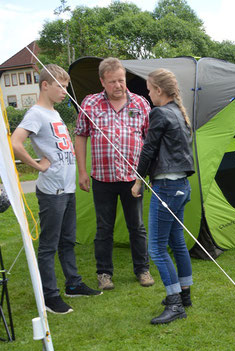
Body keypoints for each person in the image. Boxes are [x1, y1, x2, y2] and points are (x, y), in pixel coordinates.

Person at [11, 64, 101, 314]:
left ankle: (73, 284)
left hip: (67, 187)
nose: (65, 92)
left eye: (66, 86)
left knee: (67, 241)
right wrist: (37, 165)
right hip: (52, 191)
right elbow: (15, 142)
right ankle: (50, 296)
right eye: (60, 86)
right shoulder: (36, 113)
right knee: (49, 245)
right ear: (45, 85)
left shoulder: (54, 113)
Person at [74, 57, 154, 290]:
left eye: (121, 80)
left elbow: (150, 140)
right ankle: (104, 274)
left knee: (137, 226)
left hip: (133, 179)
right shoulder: (90, 103)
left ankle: (142, 270)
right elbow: (80, 135)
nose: (118, 85)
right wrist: (82, 171)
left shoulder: (140, 103)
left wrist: (146, 173)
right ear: (102, 81)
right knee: (104, 228)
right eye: (112, 82)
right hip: (102, 178)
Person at [131, 69, 195, 324]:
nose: (147, 94)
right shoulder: (179, 112)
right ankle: (184, 292)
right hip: (181, 186)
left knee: (156, 249)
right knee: (176, 241)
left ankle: (175, 304)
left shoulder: (159, 112)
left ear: (159, 90)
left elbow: (148, 150)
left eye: (148, 89)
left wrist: (138, 181)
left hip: (166, 187)